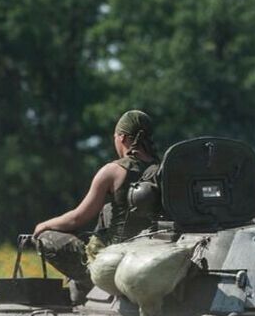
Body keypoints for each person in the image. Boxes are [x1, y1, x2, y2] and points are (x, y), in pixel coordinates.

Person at [32, 109, 161, 304]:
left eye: (116, 137)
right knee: (109, 210)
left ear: (123, 138)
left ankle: (89, 283)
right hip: (147, 256)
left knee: (45, 239)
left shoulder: (113, 171)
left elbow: (78, 218)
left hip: (111, 260)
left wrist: (43, 225)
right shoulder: (162, 171)